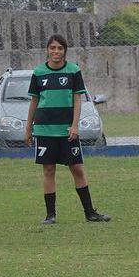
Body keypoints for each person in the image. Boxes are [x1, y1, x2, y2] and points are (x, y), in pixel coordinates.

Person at [24, 34, 110, 225]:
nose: (56, 51)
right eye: (52, 48)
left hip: (66, 131)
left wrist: (74, 125)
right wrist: (28, 128)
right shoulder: (38, 73)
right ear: (48, 49)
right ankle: (50, 215)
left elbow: (78, 99)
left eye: (59, 48)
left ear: (65, 51)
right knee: (48, 170)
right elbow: (34, 101)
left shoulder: (73, 71)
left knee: (77, 169)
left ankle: (90, 213)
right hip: (45, 130)